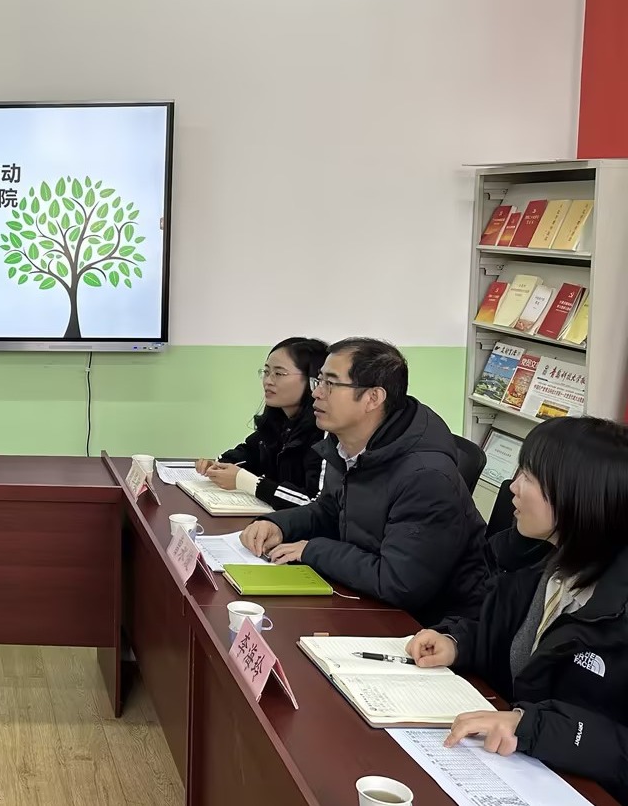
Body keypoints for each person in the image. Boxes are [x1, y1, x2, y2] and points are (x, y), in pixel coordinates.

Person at [407, 417, 628, 803]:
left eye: (528, 476)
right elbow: (512, 643)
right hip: (517, 767)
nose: (513, 486)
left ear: (577, 496)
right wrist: (458, 642)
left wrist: (530, 726)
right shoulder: (544, 564)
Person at [240, 337, 490, 625]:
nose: (316, 393)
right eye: (319, 380)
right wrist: (278, 525)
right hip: (366, 597)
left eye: (331, 384)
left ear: (373, 398)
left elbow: (399, 582)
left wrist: (312, 550)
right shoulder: (348, 445)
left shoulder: (426, 476)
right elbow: (330, 510)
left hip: (431, 626)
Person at [195, 337, 329, 510]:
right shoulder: (278, 421)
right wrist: (219, 465)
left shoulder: (324, 433)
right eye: (266, 372)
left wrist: (250, 483)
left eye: (279, 374)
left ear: (313, 381)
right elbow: (249, 453)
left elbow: (314, 504)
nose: (268, 381)